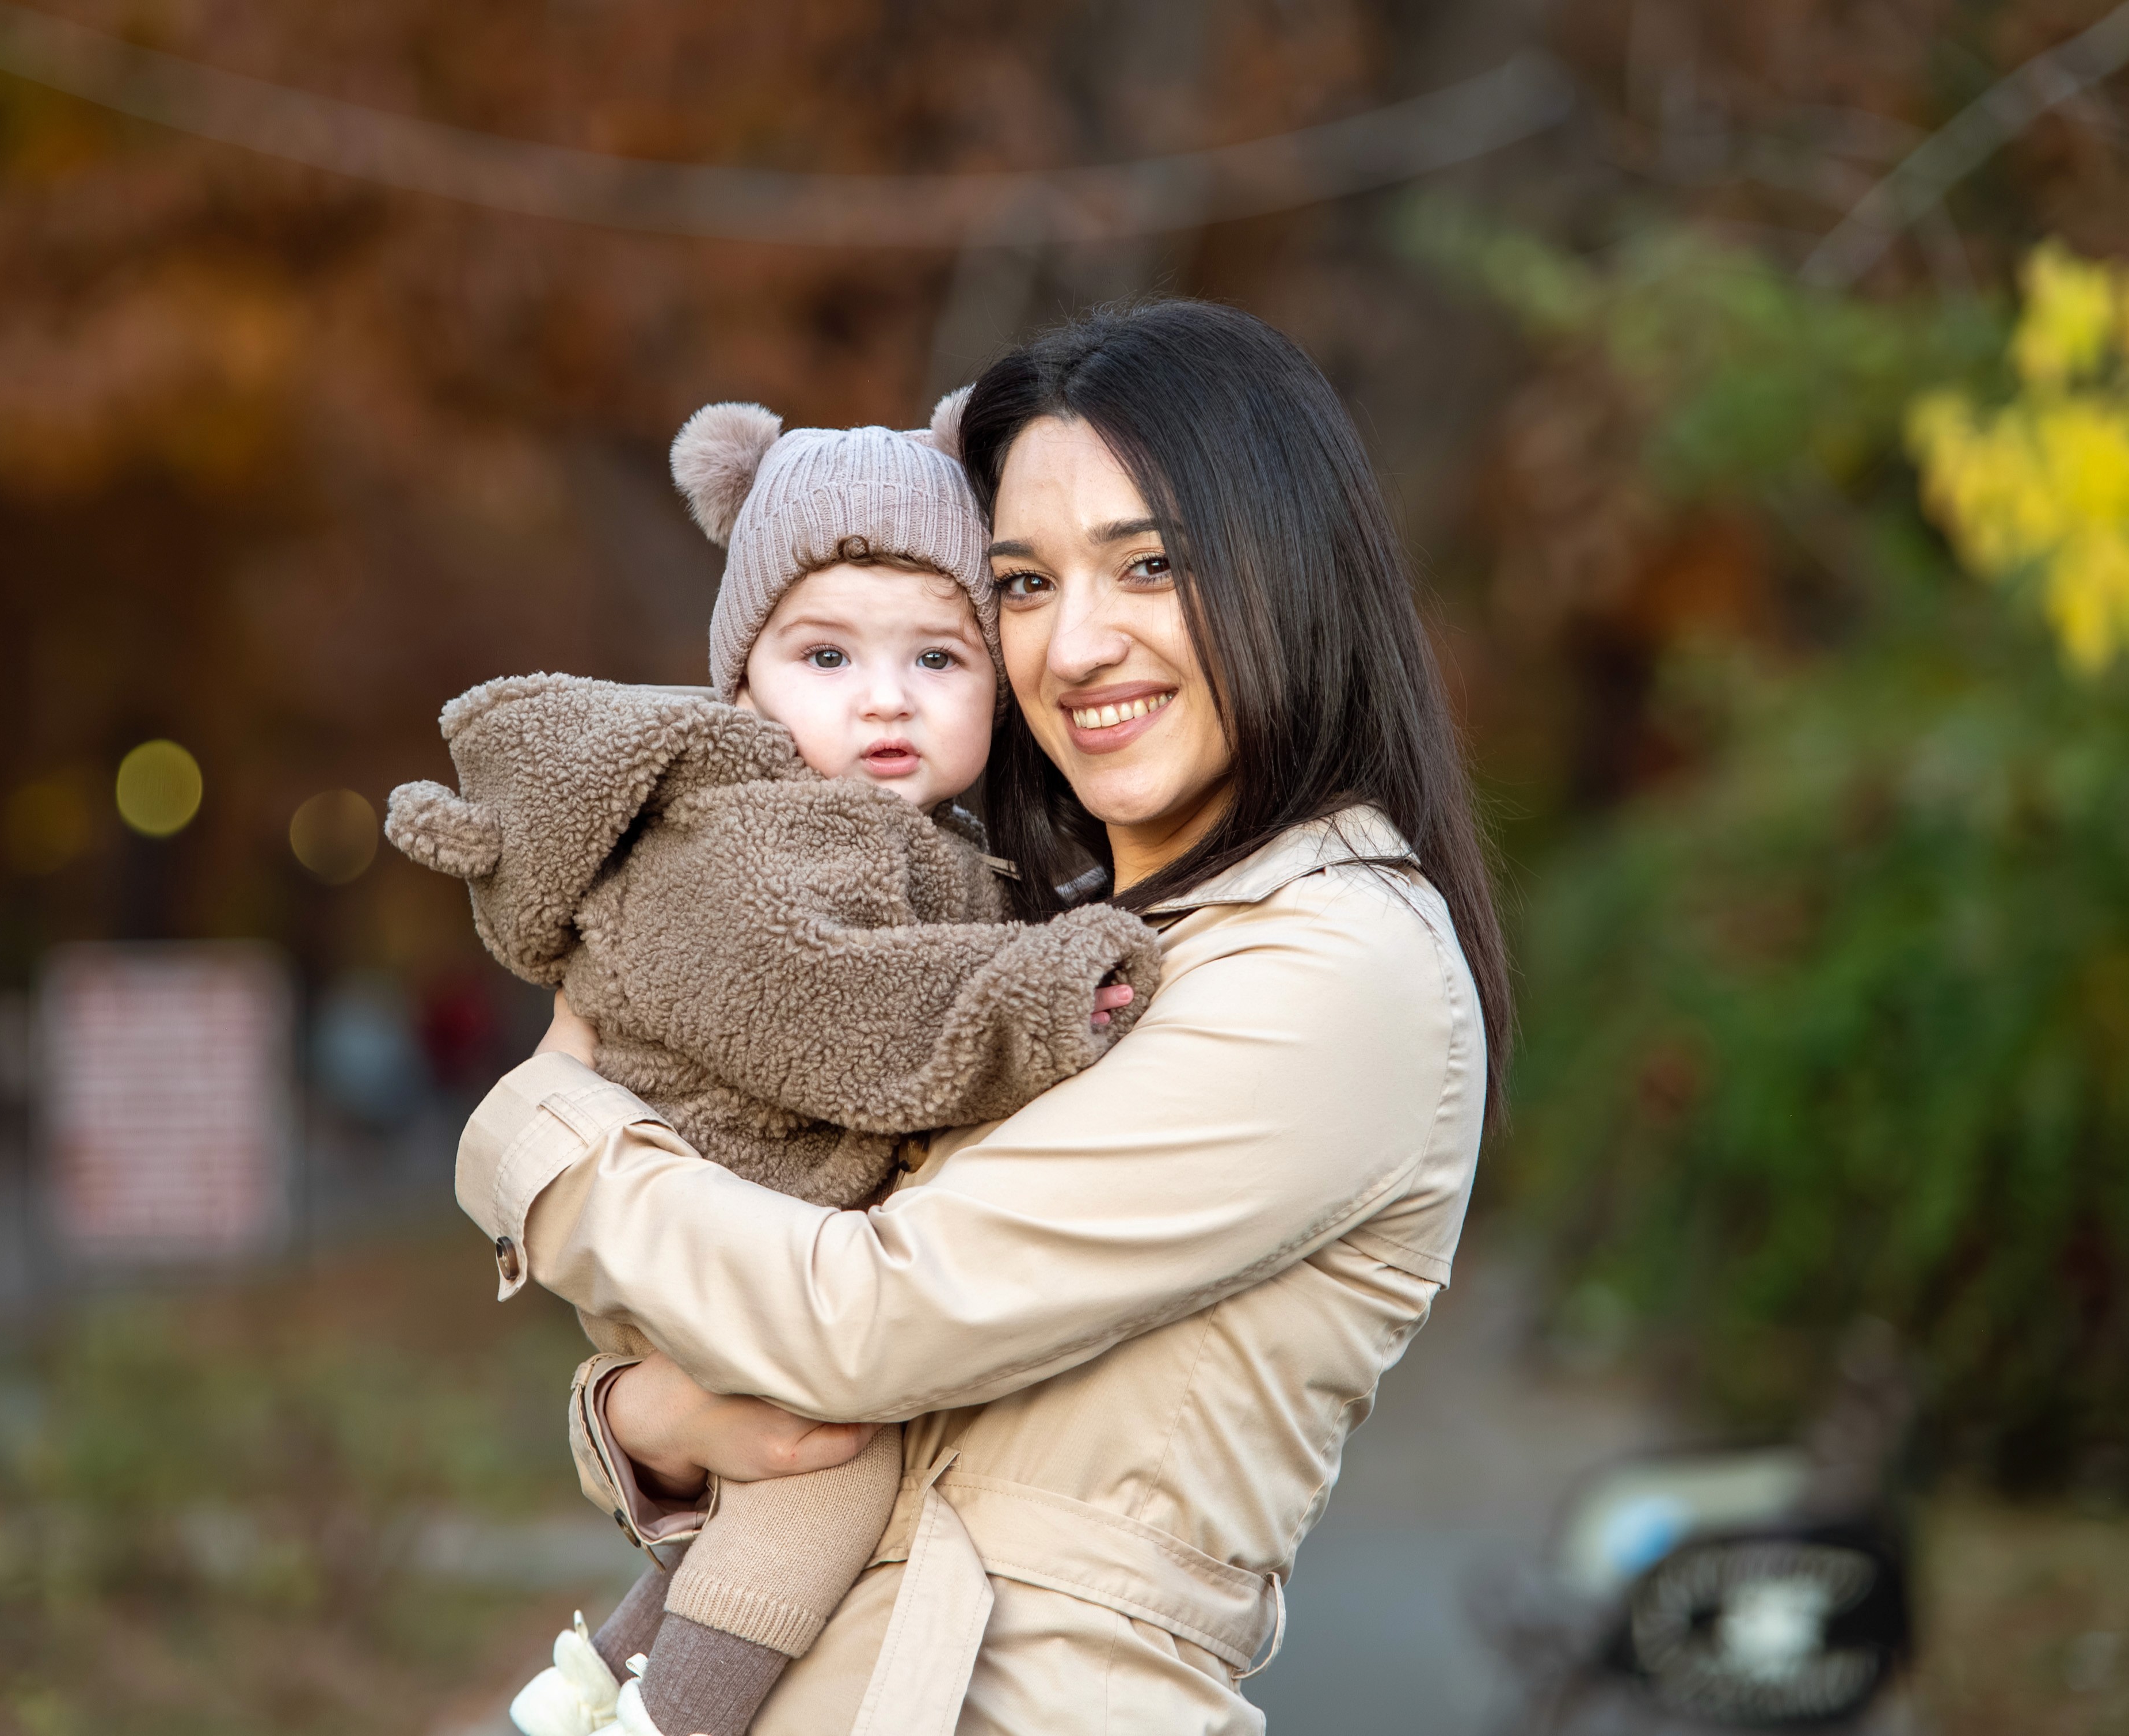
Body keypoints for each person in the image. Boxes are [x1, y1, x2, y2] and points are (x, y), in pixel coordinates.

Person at [459, 299, 1510, 1734]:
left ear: (1292, 570)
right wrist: (640, 1422)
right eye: (1021, 584)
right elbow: (790, 1297)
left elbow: (869, 1314)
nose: (1075, 644)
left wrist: (544, 1136)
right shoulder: (1031, 935)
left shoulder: (1335, 967)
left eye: (1148, 565)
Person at [386, 397, 1160, 1736]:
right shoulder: (745, 843)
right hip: (729, 1216)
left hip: (747, 1235)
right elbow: (831, 1013)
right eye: (823, 655)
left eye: (936, 656)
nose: (883, 697)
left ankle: (602, 1679)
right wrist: (1041, 992)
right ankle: (666, 1717)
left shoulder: (912, 845)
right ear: (741, 679)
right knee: (828, 1478)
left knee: (791, 1483)